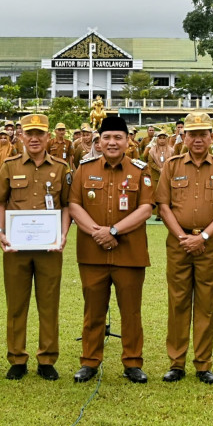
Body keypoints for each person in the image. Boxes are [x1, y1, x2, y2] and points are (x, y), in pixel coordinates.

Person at [67, 115, 154, 384]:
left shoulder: (140, 170)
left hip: (129, 253)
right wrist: (98, 232)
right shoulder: (84, 168)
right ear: (99, 141)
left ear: (128, 141)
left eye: (118, 137)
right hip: (93, 252)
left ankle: (132, 363)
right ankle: (90, 361)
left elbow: (146, 208)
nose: (112, 142)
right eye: (107, 137)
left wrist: (113, 231)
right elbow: (74, 205)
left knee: (131, 311)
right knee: (93, 310)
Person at [154, 112, 213, 384]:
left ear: (212, 137)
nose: (198, 139)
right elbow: (163, 205)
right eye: (193, 134)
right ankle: (176, 363)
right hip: (178, 244)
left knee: (205, 303)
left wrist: (201, 237)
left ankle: (203, 364)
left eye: (204, 133)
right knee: (178, 302)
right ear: (184, 137)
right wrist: (183, 237)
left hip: (209, 245)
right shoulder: (171, 165)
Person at [0, 114, 71, 380]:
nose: (35, 139)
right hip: (16, 248)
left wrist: (63, 235)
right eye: (30, 134)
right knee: (16, 304)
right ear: (21, 136)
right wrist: (1, 232)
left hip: (49, 249)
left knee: (49, 304)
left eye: (40, 134)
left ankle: (47, 359)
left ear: (48, 136)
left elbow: (67, 206)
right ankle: (17, 358)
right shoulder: (9, 166)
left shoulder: (61, 168)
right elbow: (0, 202)